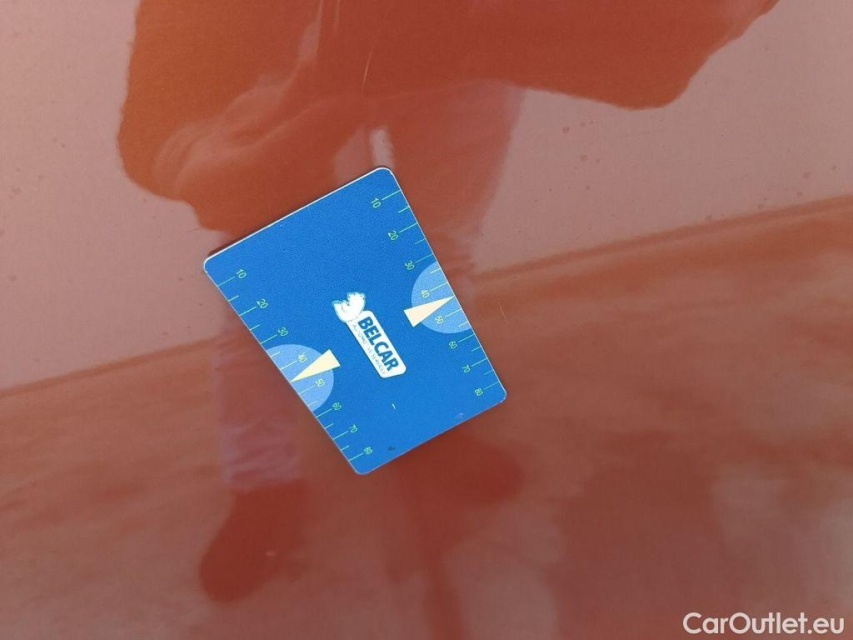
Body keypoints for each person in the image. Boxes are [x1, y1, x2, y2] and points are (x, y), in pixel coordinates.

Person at [119, 0, 776, 603]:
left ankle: (428, 424)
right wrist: (173, 134)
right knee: (287, 258)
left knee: (438, 247)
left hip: (465, 51)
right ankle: (263, 484)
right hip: (307, 52)